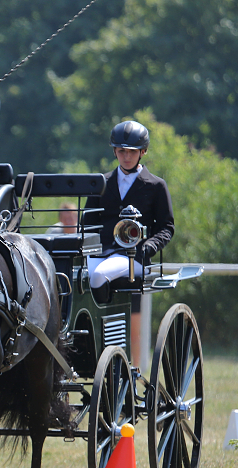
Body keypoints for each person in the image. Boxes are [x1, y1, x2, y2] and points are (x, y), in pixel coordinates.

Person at [81, 120, 174, 365]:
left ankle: (99, 340)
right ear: (114, 152)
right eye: (121, 151)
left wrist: (149, 247)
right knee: (75, 278)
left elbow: (167, 227)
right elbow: (88, 222)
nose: (126, 156)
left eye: (132, 152)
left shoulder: (155, 186)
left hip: (135, 258)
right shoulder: (101, 184)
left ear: (142, 152)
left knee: (98, 276)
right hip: (100, 253)